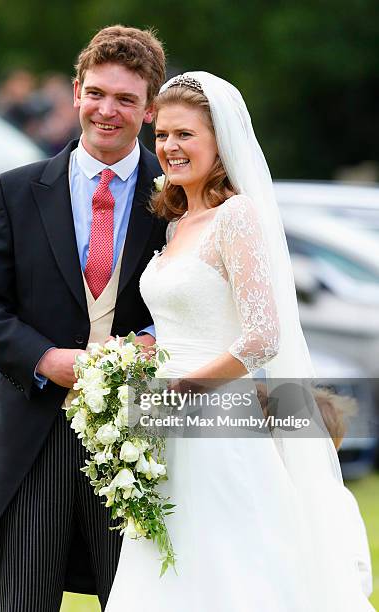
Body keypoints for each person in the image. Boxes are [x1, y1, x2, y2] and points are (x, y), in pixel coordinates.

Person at [105, 73, 375, 611]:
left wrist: (184, 386)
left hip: (221, 423)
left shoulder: (238, 218)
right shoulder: (177, 225)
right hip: (162, 425)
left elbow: (261, 338)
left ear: (219, 142)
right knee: (165, 566)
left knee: (230, 566)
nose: (170, 148)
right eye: (163, 136)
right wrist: (141, 362)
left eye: (186, 135)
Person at [0, 25, 167, 611]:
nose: (108, 110)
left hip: (142, 439)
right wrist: (46, 360)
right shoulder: (17, 191)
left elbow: (197, 306)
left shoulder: (176, 198)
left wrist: (149, 346)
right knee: (24, 600)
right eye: (97, 93)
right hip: (35, 436)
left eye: (127, 99)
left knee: (139, 601)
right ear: (75, 92)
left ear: (149, 109)